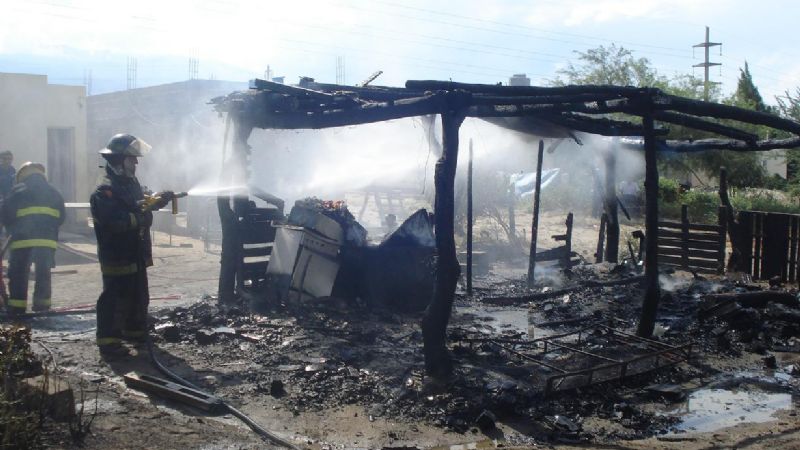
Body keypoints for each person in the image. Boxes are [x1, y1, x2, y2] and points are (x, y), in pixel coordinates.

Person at [90, 134, 172, 357]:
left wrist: (157, 199)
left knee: (138, 294)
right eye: (131, 159)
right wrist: (142, 217)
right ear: (118, 160)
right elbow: (115, 222)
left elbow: (140, 200)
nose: (136, 163)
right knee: (115, 296)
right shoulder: (105, 190)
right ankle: (109, 342)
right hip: (116, 253)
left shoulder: (129, 183)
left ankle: (135, 332)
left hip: (135, 251)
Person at [1, 162, 65, 315]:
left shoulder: (17, 191)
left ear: (22, 176)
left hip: (22, 241)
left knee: (19, 273)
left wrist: (11, 229)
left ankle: (17, 307)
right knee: (43, 273)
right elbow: (61, 216)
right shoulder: (53, 192)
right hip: (47, 242)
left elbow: (6, 214)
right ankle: (42, 307)